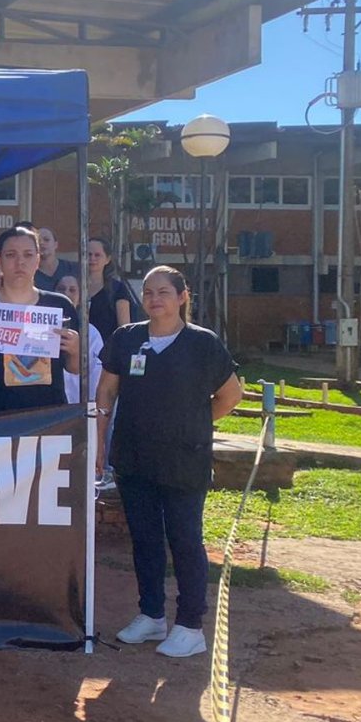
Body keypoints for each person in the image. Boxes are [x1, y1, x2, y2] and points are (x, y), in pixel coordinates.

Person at [97, 265, 242, 658]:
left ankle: (190, 625)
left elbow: (230, 395)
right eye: (148, 292)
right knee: (145, 539)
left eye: (163, 292)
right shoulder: (126, 339)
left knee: (185, 539)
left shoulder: (202, 343)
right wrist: (99, 441)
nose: (154, 299)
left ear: (182, 297)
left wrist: (192, 423)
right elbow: (106, 392)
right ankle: (151, 614)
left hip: (184, 460)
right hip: (134, 458)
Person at [0, 226, 80, 414]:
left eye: (28, 255)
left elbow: (74, 368)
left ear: (38, 259)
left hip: (47, 416)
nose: (20, 262)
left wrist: (76, 349)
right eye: (11, 255)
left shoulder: (60, 305)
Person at [55, 273, 103, 405]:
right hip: (50, 405)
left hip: (77, 408)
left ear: (81, 298)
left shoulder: (91, 333)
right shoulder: (40, 328)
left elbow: (96, 374)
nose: (66, 293)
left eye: (72, 290)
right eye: (61, 289)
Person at [86, 236, 135, 340]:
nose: (92, 258)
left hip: (108, 346)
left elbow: (124, 327)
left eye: (97, 255)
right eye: (88, 254)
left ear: (107, 259)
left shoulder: (118, 289)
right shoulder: (72, 286)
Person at [33, 226, 78, 292]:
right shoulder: (31, 273)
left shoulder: (73, 268)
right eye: (37, 241)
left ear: (55, 244)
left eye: (46, 240)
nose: (41, 243)